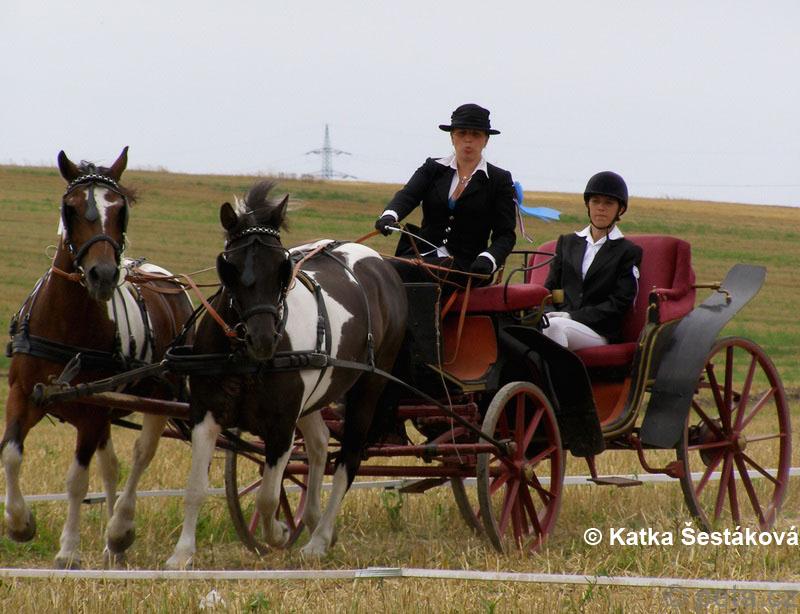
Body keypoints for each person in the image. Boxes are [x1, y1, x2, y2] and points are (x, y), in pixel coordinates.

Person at [374, 103, 517, 296]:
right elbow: (408, 195)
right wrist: (390, 215)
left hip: (467, 266)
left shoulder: (499, 180)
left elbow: (505, 234)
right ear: (452, 137)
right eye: (462, 133)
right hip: (420, 255)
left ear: (486, 140)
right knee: (377, 268)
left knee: (396, 270)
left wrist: (488, 259)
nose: (468, 140)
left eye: (476, 134)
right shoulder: (432, 168)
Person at [542, 171, 642, 350]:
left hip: (598, 330)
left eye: (608, 203)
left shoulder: (627, 251)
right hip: (559, 318)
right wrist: (552, 312)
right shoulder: (567, 242)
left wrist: (572, 316)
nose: (601, 208)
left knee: (555, 327)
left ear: (620, 209)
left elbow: (619, 302)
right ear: (588, 205)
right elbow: (553, 287)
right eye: (595, 201)